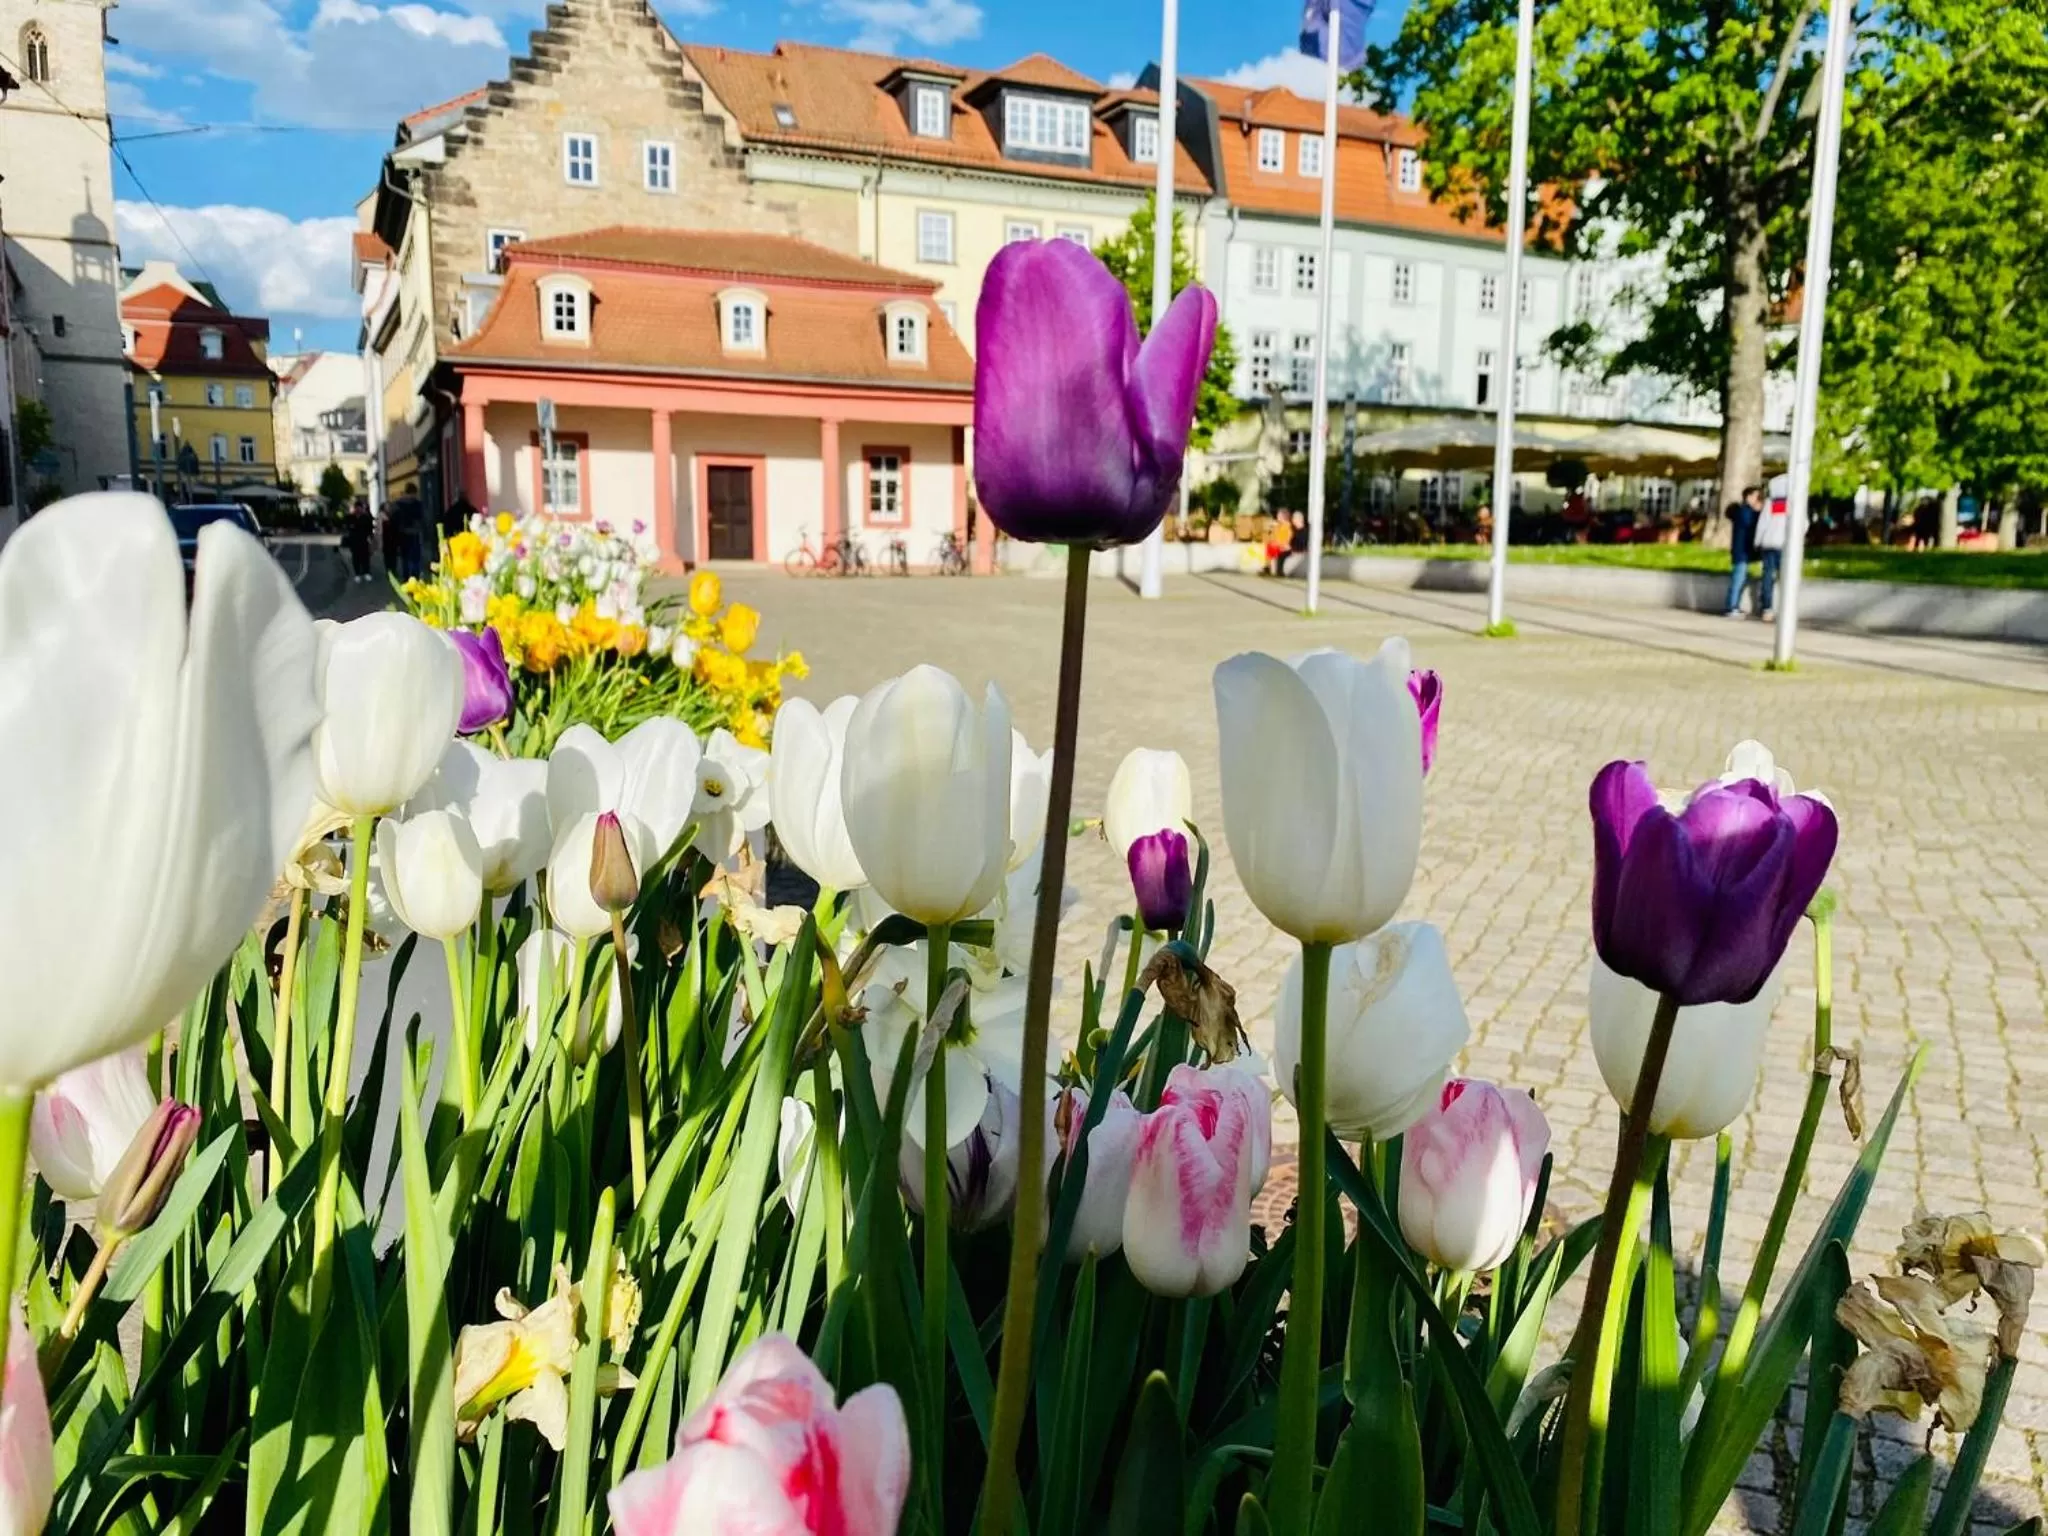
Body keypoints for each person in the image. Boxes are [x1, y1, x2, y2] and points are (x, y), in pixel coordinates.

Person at [1751, 476, 1791, 619]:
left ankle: (1767, 608)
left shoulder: (1770, 503)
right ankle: (1787, 607)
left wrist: (1757, 541)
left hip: (1768, 543)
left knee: (1767, 575)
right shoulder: (1793, 503)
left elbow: (1763, 524)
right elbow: (1803, 524)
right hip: (1785, 544)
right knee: (1786, 576)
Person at [1722, 484, 1763, 618]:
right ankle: (1732, 606)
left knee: (1739, 578)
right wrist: (1758, 512)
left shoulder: (1743, 511)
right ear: (1748, 497)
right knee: (1738, 579)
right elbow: (1750, 524)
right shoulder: (1745, 512)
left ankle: (1733, 606)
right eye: (1757, 497)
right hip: (1741, 551)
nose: (1758, 500)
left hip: (1742, 550)